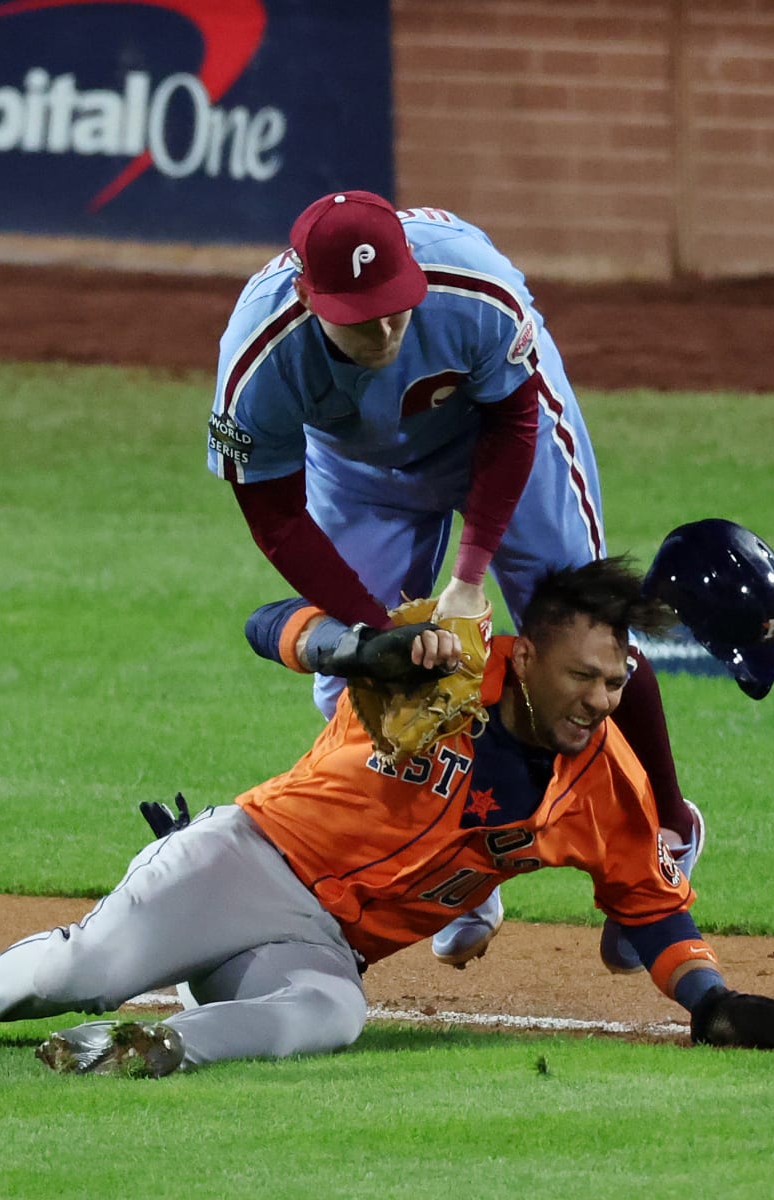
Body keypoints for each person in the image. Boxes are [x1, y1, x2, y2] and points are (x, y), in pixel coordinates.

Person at [0, 559, 774, 1075]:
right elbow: (265, 623)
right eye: (583, 676)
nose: (601, 700)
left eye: (616, 681)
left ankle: (152, 1049)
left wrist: (709, 1001)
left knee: (333, 1014)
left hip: (322, 946)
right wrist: (357, 648)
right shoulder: (441, 662)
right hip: (242, 865)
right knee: (84, 970)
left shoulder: (608, 783)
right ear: (524, 658)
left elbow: (651, 907)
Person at [206, 188, 703, 968]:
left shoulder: (473, 290)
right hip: (362, 468)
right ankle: (455, 870)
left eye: (396, 307)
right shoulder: (260, 361)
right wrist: (376, 634)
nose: (384, 328)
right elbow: (276, 516)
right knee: (352, 686)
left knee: (584, 635)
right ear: (309, 298)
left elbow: (513, 419)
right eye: (359, 315)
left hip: (501, 432)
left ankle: (669, 831)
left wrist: (470, 578)